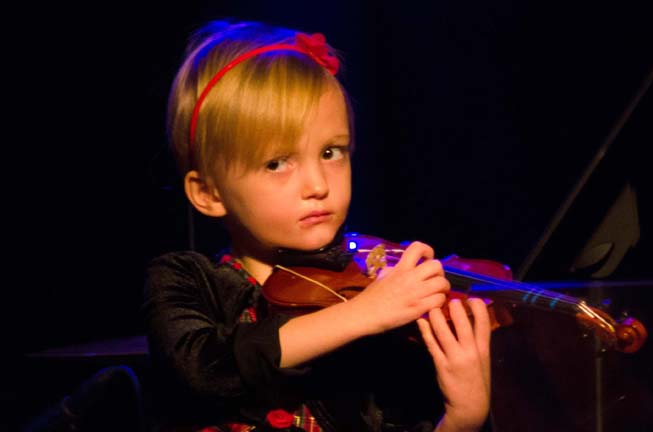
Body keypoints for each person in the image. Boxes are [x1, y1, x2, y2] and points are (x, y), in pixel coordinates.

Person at [142, 20, 491, 432]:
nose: (318, 185)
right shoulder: (184, 281)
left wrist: (463, 419)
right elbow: (205, 367)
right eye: (276, 163)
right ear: (209, 194)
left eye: (331, 152)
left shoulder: (364, 292)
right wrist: (364, 313)